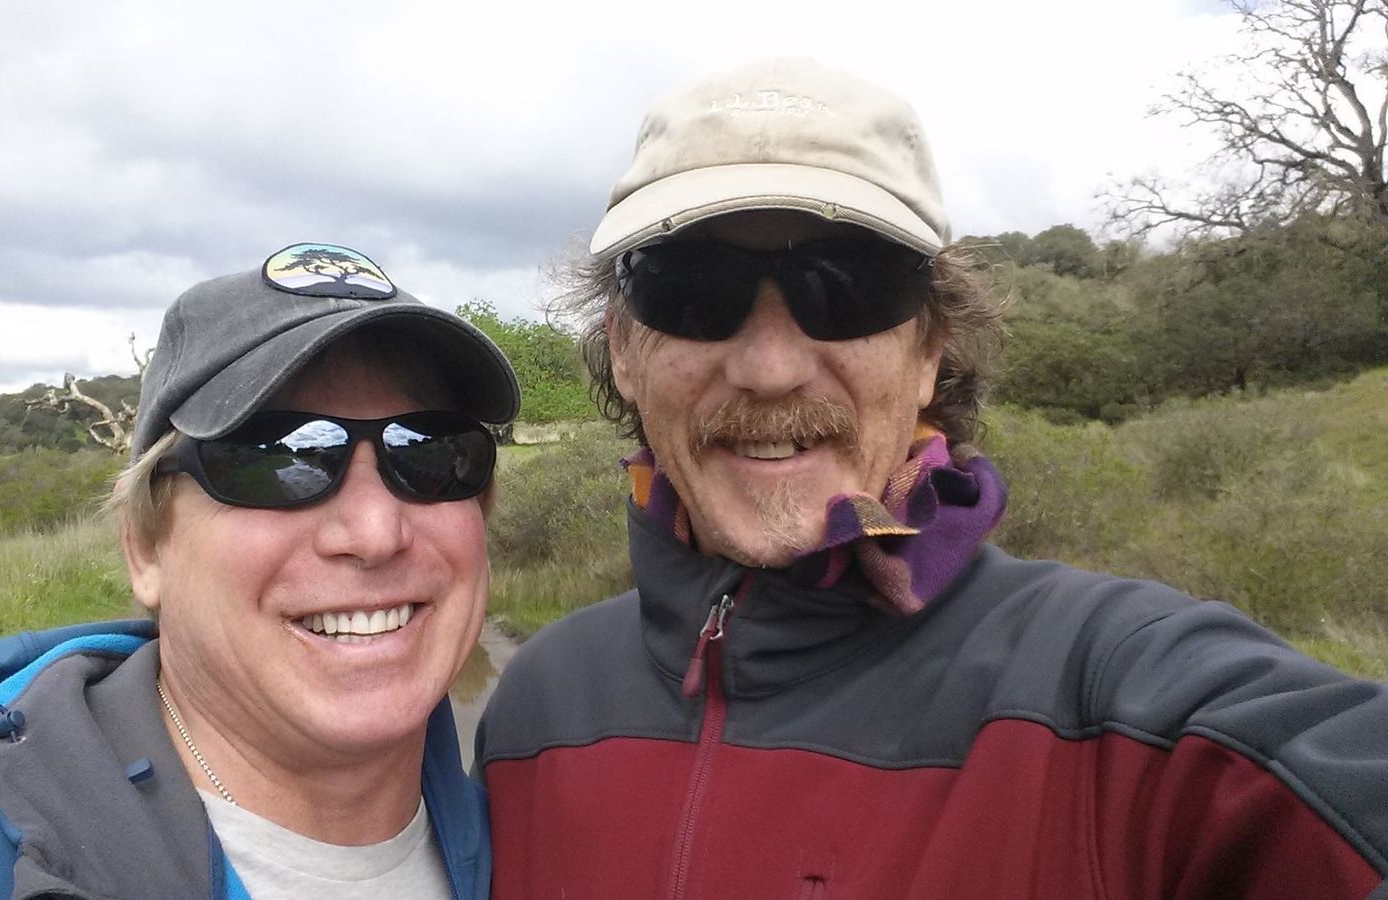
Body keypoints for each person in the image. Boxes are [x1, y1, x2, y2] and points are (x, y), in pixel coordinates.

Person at [474, 58, 1388, 898]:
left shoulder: (1119, 698)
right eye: (691, 290)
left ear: (928, 352)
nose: (770, 369)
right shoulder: (537, 707)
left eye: (847, 289)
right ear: (625, 351)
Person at [0, 242, 519, 899]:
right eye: (278, 459)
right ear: (145, 547)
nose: (375, 533)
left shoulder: (530, 834)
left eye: (430, 452)